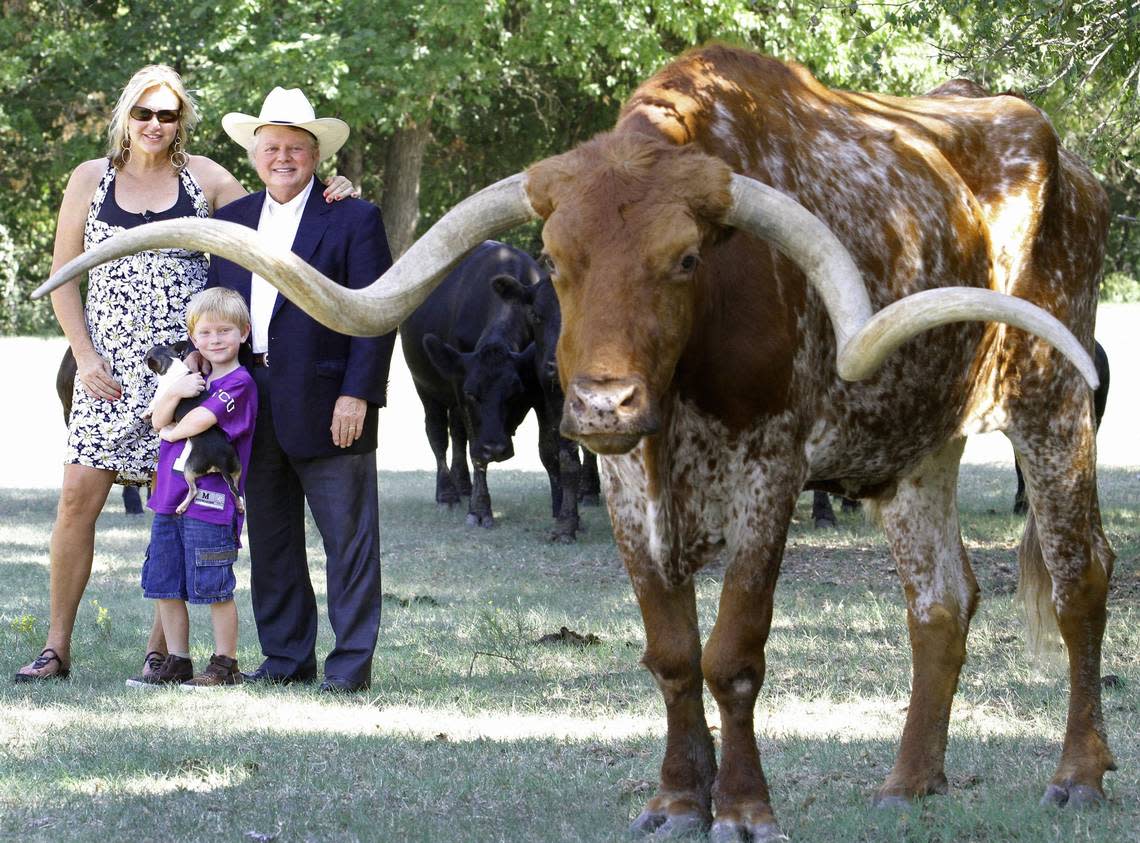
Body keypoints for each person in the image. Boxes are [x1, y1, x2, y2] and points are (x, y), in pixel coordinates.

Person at [15, 66, 355, 683]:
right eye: (143, 112)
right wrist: (85, 357)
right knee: (75, 500)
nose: (154, 124)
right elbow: (65, 274)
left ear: (181, 122)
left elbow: (279, 211)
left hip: (189, 373)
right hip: (108, 375)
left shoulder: (206, 179)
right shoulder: (90, 180)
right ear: (124, 115)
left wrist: (336, 187)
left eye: (167, 115)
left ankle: (165, 651)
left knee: (174, 510)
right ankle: (56, 646)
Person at [207, 86, 396, 693]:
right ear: (254, 156)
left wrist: (358, 395)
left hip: (329, 398)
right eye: (271, 147)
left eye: (295, 147)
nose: (282, 157)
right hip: (250, 399)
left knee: (349, 541)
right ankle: (287, 659)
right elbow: (214, 311)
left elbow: (376, 312)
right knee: (272, 538)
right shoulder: (231, 222)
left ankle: (348, 668)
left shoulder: (353, 217)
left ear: (316, 156)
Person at [127, 288, 257, 688]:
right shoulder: (190, 379)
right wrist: (172, 392)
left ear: (244, 333)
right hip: (168, 498)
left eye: (225, 331)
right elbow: (157, 419)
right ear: (193, 337)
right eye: (205, 333)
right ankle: (177, 661)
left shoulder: (239, 382)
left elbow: (197, 421)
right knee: (165, 583)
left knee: (214, 586)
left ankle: (224, 665)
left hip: (211, 502)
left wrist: (168, 428)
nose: (215, 340)